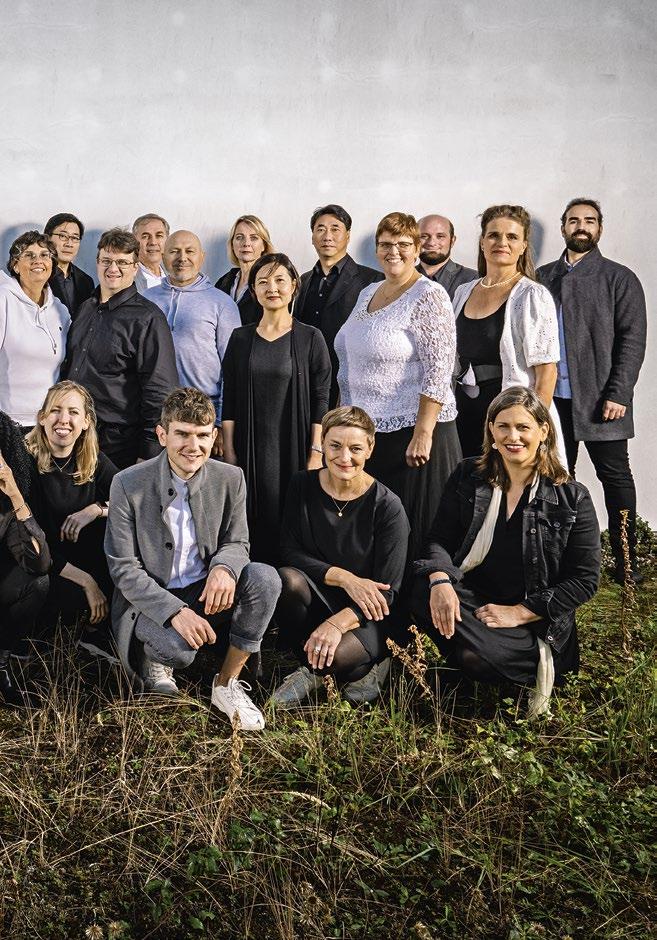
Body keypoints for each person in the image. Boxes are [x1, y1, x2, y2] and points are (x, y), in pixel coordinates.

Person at [411, 386, 600, 716]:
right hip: (475, 603)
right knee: (419, 585)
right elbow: (438, 540)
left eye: (523, 427)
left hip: (533, 625)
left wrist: (519, 613)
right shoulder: (469, 475)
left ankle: (486, 660)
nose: (513, 437)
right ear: (491, 431)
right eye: (503, 426)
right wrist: (441, 581)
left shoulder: (572, 497)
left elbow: (585, 581)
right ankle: (470, 650)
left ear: (543, 431)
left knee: (476, 659)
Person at [105, 387, 281, 729]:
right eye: (182, 434)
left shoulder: (231, 477)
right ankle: (153, 658)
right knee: (178, 651)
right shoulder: (127, 483)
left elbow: (237, 541)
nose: (193, 445)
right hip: (149, 601)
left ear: (214, 436)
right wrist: (175, 612)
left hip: (204, 591)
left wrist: (224, 569)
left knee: (265, 578)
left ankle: (226, 684)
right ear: (162, 435)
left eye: (201, 435)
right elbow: (123, 569)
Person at [335, 211, 460, 560]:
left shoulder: (429, 295)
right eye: (386, 244)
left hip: (413, 435)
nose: (394, 251)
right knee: (378, 533)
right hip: (371, 434)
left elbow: (439, 367)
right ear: (376, 249)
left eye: (403, 244)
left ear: (417, 249)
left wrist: (423, 432)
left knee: (413, 532)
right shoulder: (369, 292)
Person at [537, 199, 647, 583]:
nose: (581, 226)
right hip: (552, 401)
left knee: (615, 478)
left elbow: (632, 340)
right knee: (555, 478)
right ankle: (560, 560)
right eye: (574, 220)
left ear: (600, 228)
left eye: (589, 220)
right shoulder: (542, 277)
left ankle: (626, 561)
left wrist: (619, 393)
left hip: (603, 401)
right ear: (563, 227)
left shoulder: (619, 278)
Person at [271, 406, 410, 707]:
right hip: (321, 597)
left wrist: (337, 624)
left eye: (355, 448)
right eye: (335, 445)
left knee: (339, 663)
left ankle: (371, 665)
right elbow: (289, 551)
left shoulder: (388, 506)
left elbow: (388, 592)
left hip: (368, 613)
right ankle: (312, 666)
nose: (344, 457)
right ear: (322, 444)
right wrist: (345, 578)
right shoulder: (302, 485)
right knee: (286, 581)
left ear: (370, 448)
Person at [222, 253, 331, 563]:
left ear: (294, 286)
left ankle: (292, 583)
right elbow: (230, 399)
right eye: (263, 282)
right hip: (250, 447)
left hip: (294, 447)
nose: (272, 288)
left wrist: (316, 453)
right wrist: (229, 451)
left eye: (280, 280)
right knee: (251, 521)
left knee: (294, 520)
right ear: (254, 290)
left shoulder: (311, 338)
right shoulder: (240, 338)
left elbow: (321, 399)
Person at [61, 228, 179, 469]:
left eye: (122, 262)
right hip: (74, 434)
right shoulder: (86, 308)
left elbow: (160, 390)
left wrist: (148, 453)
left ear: (135, 268)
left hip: (119, 444)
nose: (113, 268)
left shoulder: (148, 318)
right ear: (97, 263)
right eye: (106, 260)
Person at [452, 205, 560, 459]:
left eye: (512, 236)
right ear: (482, 242)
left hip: (510, 416)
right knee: (466, 480)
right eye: (494, 235)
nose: (502, 242)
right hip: (463, 412)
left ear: (523, 246)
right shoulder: (463, 292)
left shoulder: (532, 295)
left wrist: (530, 427)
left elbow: (547, 372)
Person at [26, 381, 118, 661]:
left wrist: (95, 509)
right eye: (55, 410)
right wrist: (87, 582)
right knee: (64, 593)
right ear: (42, 417)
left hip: (83, 560)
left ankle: (94, 635)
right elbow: (31, 542)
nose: (63, 419)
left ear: (86, 422)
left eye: (73, 412)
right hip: (42, 566)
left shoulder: (93, 460)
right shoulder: (25, 462)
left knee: (116, 530)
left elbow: (134, 501)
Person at [145, 230, 241, 452]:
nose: (182, 258)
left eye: (190, 251)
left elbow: (233, 369)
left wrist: (220, 423)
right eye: (174, 251)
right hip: (155, 416)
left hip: (204, 417)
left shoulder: (222, 303)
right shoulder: (146, 299)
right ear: (163, 255)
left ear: (202, 257)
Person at [295, 204, 383, 407]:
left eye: (335, 229)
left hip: (352, 384)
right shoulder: (302, 281)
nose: (327, 236)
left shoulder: (372, 280)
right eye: (320, 229)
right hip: (307, 382)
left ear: (348, 236)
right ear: (312, 237)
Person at [0, 411, 50, 706]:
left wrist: (15, 496)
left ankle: (1, 665)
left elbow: (39, 563)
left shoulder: (6, 503)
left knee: (37, 583)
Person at [0, 231, 70, 430]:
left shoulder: (60, 311)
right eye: (29, 255)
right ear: (15, 265)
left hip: (48, 423)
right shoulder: (3, 300)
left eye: (44, 255)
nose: (37, 260)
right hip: (7, 423)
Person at [214, 215, 274, 325]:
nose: (246, 243)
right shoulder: (223, 282)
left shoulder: (272, 283)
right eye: (239, 237)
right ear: (232, 245)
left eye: (254, 238)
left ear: (264, 246)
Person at [44, 213, 95, 319]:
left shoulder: (86, 281)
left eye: (75, 238)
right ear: (47, 238)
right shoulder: (38, 275)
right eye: (63, 236)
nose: (69, 244)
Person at [417, 214, 477, 300]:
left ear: (452, 241)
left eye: (440, 236)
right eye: (424, 236)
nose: (431, 243)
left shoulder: (473, 280)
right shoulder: (401, 279)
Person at [132, 213, 169, 292]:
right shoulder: (127, 278)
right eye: (145, 236)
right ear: (134, 241)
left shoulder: (174, 273)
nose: (153, 242)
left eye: (159, 236)